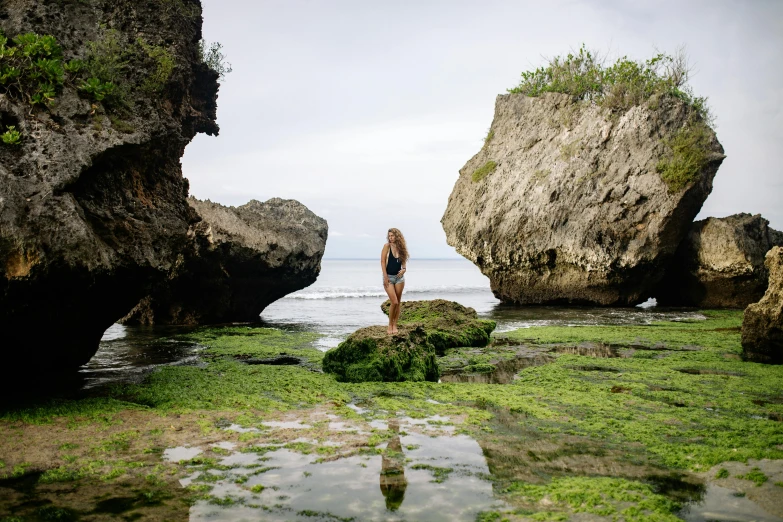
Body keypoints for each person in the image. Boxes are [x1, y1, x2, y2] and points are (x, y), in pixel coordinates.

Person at [381, 228, 409, 334]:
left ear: (397, 236)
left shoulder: (402, 248)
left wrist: (404, 270)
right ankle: (390, 325)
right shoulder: (386, 246)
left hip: (399, 278)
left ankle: (395, 325)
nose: (390, 238)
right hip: (388, 277)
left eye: (392, 236)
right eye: (389, 236)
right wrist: (385, 277)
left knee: (398, 303)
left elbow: (404, 263)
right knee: (394, 301)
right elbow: (383, 262)